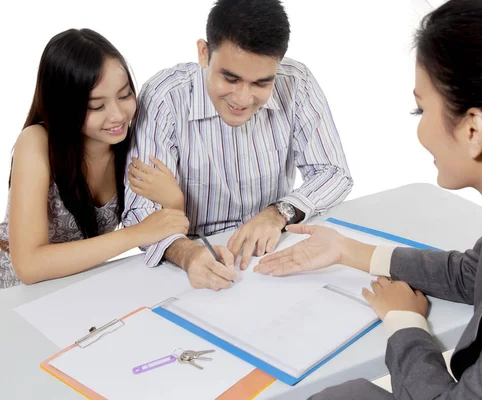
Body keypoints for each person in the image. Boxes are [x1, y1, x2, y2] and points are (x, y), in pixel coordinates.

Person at [256, 0, 482, 398]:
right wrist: (349, 251)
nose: (420, 130)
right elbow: (473, 275)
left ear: (473, 130)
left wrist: (406, 325)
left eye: (420, 109)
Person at [123, 0, 353, 291]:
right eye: (230, 78)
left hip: (275, 252)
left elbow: (334, 172)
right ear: (204, 53)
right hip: (193, 264)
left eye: (260, 84)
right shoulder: (165, 97)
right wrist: (187, 253)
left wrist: (278, 213)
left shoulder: (297, 82)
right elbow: (139, 209)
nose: (243, 99)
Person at [0, 29, 189, 289]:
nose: (118, 115)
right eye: (96, 106)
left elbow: (167, 229)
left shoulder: (133, 143)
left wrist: (175, 201)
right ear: (63, 106)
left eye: (124, 95)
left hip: (79, 288)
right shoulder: (36, 142)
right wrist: (137, 233)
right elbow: (29, 266)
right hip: (15, 293)